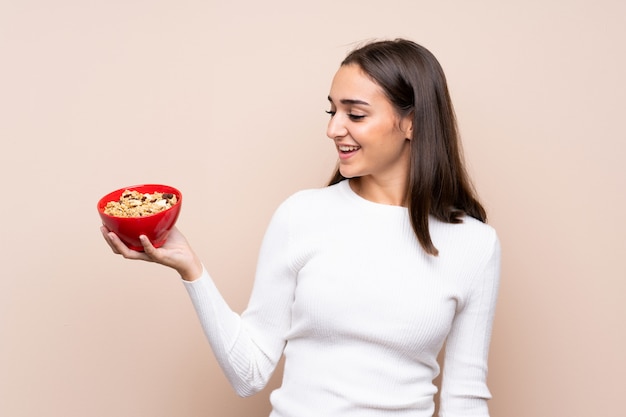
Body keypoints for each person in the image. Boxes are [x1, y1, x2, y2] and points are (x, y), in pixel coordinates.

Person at [101, 38, 501, 417]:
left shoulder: (474, 244)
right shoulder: (302, 216)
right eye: (333, 111)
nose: (334, 129)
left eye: (356, 114)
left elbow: (465, 402)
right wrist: (191, 268)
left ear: (411, 123)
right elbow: (248, 373)